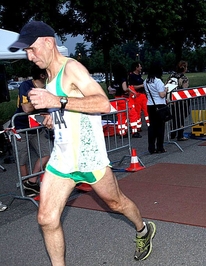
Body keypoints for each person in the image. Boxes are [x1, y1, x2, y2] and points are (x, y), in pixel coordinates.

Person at [8, 21, 156, 264]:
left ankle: (143, 229)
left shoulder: (72, 68)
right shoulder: (50, 76)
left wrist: (58, 102)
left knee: (116, 203)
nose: (29, 56)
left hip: (89, 158)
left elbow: (102, 103)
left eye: (32, 49)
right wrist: (54, 118)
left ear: (48, 42)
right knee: (46, 218)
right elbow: (69, 108)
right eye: (26, 51)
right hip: (63, 160)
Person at [13, 64, 50, 197]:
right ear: (42, 75)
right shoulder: (26, 85)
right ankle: (26, 186)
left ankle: (31, 181)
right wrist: (44, 102)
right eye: (48, 72)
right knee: (22, 158)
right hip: (22, 127)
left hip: (37, 127)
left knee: (46, 153)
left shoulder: (48, 88)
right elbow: (26, 109)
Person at [144, 64, 168, 154]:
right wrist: (166, 90)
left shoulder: (145, 81)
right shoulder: (158, 81)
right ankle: (160, 147)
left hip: (150, 105)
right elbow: (161, 94)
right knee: (160, 127)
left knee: (152, 127)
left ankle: (151, 147)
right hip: (160, 105)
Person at [169, 60, 190, 141]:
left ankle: (173, 133)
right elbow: (185, 90)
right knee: (181, 117)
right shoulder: (184, 78)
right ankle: (180, 135)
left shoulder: (172, 76)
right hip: (181, 101)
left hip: (172, 100)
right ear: (184, 68)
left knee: (174, 117)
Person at [129, 61, 149, 134]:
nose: (141, 68)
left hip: (143, 95)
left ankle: (149, 124)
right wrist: (141, 86)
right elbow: (132, 87)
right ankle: (138, 127)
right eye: (140, 66)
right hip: (137, 96)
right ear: (136, 68)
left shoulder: (139, 75)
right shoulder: (132, 76)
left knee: (146, 110)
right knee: (137, 112)